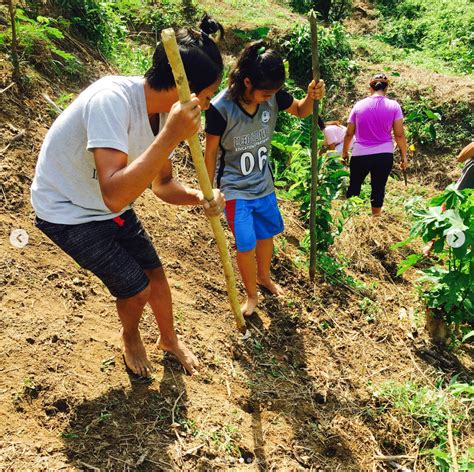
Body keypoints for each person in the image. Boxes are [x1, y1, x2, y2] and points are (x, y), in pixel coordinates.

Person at [31, 16, 225, 380]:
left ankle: (169, 339)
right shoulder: (113, 101)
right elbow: (114, 196)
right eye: (209, 95)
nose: (208, 105)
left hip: (105, 205)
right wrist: (170, 136)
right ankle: (130, 335)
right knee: (135, 289)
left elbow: (162, 184)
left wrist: (202, 196)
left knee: (156, 276)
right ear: (188, 91)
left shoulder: (160, 116)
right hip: (66, 210)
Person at [204, 41, 325, 316]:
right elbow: (210, 151)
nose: (271, 96)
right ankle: (251, 294)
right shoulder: (220, 108)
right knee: (245, 243)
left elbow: (301, 110)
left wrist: (311, 96)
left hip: (264, 185)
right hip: (235, 189)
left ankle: (264, 276)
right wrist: (210, 190)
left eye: (274, 91)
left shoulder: (272, 96)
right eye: (266, 92)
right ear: (247, 82)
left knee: (266, 235)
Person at [342, 73, 408, 217]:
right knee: (378, 187)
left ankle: (350, 219)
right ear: (386, 88)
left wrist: (345, 152)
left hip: (360, 154)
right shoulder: (394, 106)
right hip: (384, 154)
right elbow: (399, 135)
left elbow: (349, 133)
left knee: (354, 186)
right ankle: (375, 220)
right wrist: (404, 156)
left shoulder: (358, 105)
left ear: (370, 87)